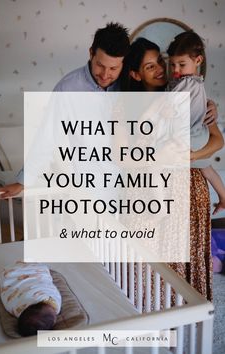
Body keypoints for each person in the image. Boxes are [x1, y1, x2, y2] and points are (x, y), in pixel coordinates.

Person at [121, 36, 224, 302]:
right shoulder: (125, 107)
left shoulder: (185, 92)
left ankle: (188, 319)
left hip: (190, 189)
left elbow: (217, 141)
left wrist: (189, 155)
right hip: (151, 192)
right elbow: (124, 159)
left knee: (187, 267)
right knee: (146, 269)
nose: (161, 70)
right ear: (134, 74)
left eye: (160, 63)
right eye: (149, 66)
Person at [0, 22, 130, 198]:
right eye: (100, 65)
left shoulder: (130, 84)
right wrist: (23, 181)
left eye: (113, 68)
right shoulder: (68, 88)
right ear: (91, 53)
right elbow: (47, 136)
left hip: (133, 185)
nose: (105, 75)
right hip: (93, 189)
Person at [167, 31, 225, 215]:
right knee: (206, 167)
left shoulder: (185, 83)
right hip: (200, 135)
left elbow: (169, 105)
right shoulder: (197, 83)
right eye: (172, 64)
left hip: (191, 136)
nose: (176, 70)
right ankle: (223, 197)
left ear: (198, 60)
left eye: (182, 64)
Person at [0, 261, 61, 336]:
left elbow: (51, 290)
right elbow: (49, 287)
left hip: (20, 273)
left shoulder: (45, 298)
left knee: (41, 272)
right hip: (8, 272)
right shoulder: (14, 310)